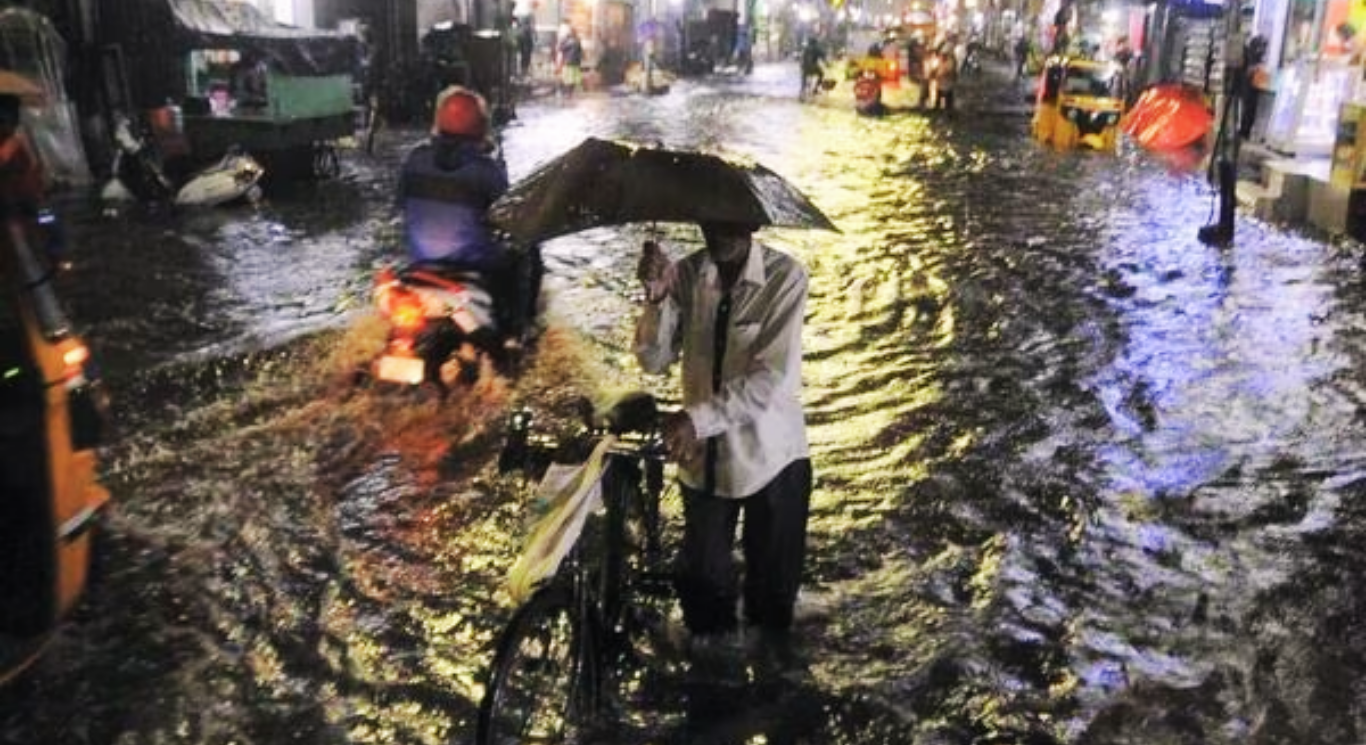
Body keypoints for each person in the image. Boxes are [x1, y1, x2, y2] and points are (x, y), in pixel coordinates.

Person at [634, 221, 814, 669]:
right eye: (711, 219)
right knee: (702, 606)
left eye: (732, 219)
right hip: (705, 464)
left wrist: (696, 420)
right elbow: (653, 360)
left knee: (770, 610)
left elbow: (769, 381)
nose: (721, 231)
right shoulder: (689, 275)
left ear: (753, 222)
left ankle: (771, 699)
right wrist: (657, 296)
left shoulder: (785, 277)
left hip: (773, 461)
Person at [398, 86, 537, 339]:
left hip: (421, 269)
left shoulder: (414, 160)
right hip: (475, 272)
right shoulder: (487, 172)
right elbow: (509, 220)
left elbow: (402, 206)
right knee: (526, 253)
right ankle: (518, 334)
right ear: (481, 127)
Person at [557, 26, 584, 95]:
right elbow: (580, 52)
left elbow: (560, 48)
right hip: (575, 62)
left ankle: (566, 91)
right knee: (573, 78)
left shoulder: (567, 41)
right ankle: (570, 92)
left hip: (568, 62)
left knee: (567, 77)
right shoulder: (577, 41)